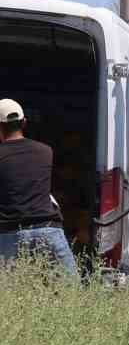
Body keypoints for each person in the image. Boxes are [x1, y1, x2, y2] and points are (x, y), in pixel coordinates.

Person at [0, 99, 79, 280]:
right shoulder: (45, 151)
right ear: (24, 123)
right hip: (48, 232)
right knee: (70, 292)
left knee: (7, 299)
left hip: (9, 235)